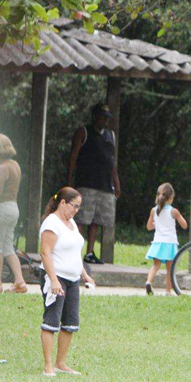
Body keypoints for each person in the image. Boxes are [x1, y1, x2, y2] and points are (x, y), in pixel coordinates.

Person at [39, 187, 96, 376]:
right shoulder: (52, 223)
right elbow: (45, 253)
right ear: (62, 203)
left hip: (72, 279)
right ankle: (48, 366)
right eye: (74, 206)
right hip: (56, 277)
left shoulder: (70, 222)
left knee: (70, 322)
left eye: (79, 207)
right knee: (52, 320)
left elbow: (74, 253)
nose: (76, 210)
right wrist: (54, 281)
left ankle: (60, 363)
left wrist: (84, 275)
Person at [66, 103, 121, 265]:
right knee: (82, 219)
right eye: (102, 117)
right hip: (86, 183)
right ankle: (74, 251)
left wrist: (116, 182)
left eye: (107, 118)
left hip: (104, 185)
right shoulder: (83, 132)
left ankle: (89, 252)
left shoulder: (110, 135)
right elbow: (73, 158)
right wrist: (69, 182)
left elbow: (112, 161)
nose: (104, 120)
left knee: (97, 221)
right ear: (95, 116)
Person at [145, 183, 188, 295]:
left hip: (158, 242)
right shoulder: (174, 211)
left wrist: (155, 224)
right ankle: (168, 291)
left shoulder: (153, 210)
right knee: (170, 269)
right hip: (170, 243)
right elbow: (184, 225)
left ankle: (148, 282)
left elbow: (149, 227)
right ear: (171, 197)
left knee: (156, 266)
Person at [0, 134, 27, 294]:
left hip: (1, 208)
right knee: (8, 247)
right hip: (13, 208)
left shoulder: (2, 168)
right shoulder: (15, 165)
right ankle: (19, 281)